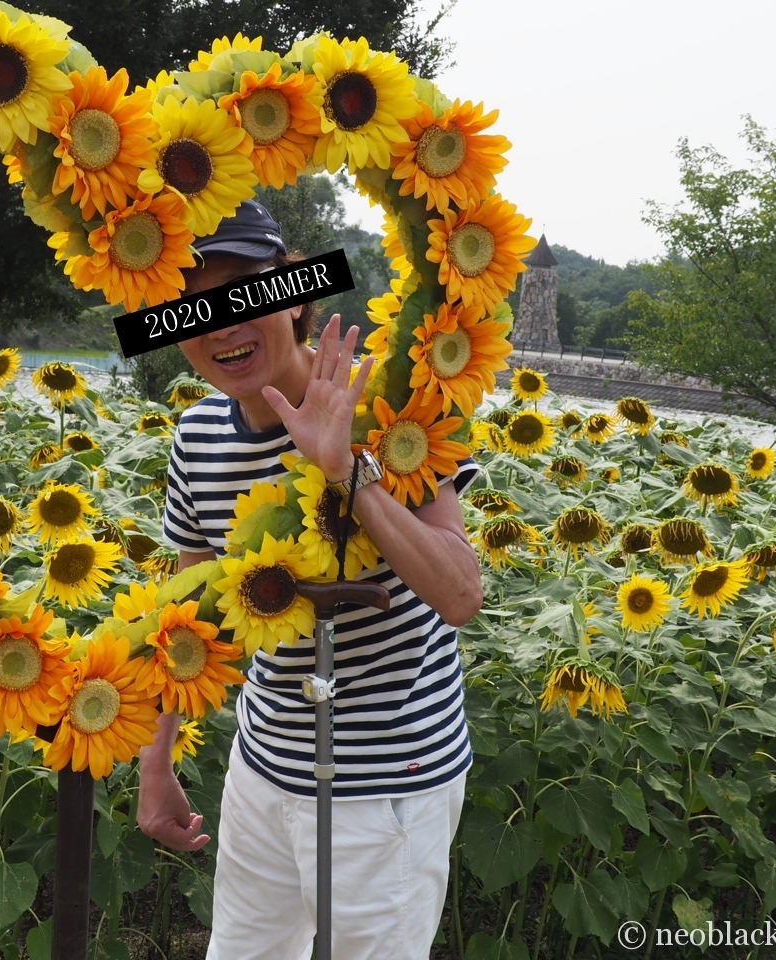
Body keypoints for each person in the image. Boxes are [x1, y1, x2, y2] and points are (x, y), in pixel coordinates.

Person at [135, 201, 484, 960]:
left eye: (242, 294)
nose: (221, 327)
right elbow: (189, 620)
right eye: (190, 309)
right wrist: (155, 761)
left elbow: (461, 593)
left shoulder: (392, 410)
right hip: (263, 766)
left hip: (389, 781)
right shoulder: (196, 437)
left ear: (292, 293)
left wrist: (347, 469)